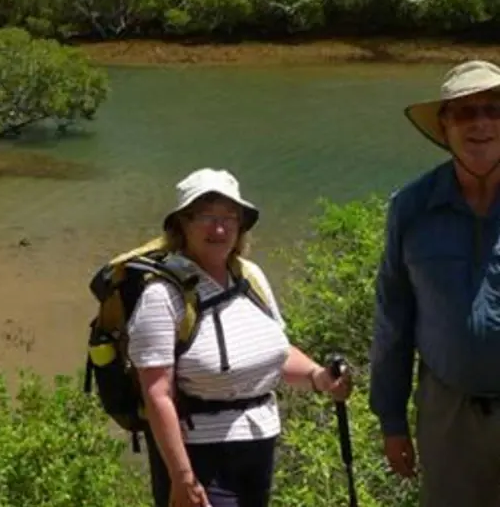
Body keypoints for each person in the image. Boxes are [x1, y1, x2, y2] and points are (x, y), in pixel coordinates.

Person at [127, 167, 353, 507]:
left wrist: (318, 377)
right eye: (205, 216)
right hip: (201, 457)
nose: (219, 228)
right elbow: (157, 393)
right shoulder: (162, 295)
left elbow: (274, 350)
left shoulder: (249, 276)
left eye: (229, 217)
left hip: (258, 448)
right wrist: (182, 477)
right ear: (182, 225)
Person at [370, 59, 500, 506]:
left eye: (494, 109)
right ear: (444, 127)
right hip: (448, 415)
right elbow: (393, 320)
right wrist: (391, 419)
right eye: (465, 111)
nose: (480, 122)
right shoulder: (411, 208)